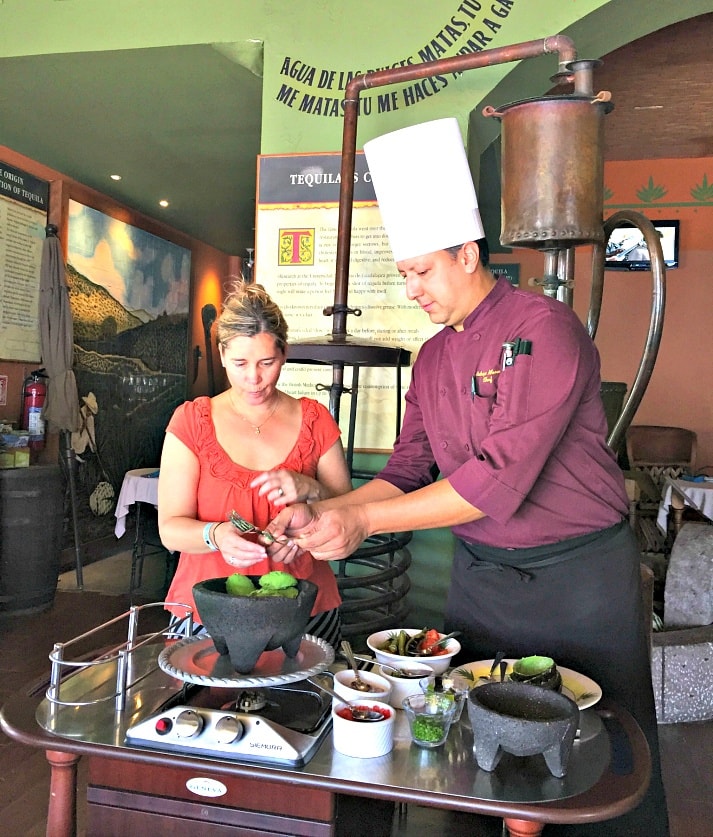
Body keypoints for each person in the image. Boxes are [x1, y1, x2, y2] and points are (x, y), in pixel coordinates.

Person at [268, 119, 669, 835]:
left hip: (579, 583)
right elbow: (405, 470)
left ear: (466, 251)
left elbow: (494, 479)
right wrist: (326, 504)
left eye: (422, 270)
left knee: (594, 757)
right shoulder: (431, 359)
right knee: (477, 757)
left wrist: (358, 522)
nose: (412, 287)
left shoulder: (544, 329)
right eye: (404, 275)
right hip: (482, 580)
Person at [158, 281, 352, 647]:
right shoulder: (191, 421)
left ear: (284, 354)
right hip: (208, 612)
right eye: (240, 363)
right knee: (203, 703)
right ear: (221, 354)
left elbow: (348, 509)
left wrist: (311, 495)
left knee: (306, 701)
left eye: (267, 362)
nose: (254, 378)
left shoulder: (314, 419)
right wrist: (215, 535)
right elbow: (170, 529)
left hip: (306, 608)